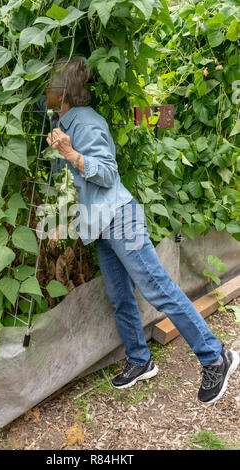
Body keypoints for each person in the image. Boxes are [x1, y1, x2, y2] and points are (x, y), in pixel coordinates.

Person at [44, 56, 239, 405]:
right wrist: (61, 149)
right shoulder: (67, 121)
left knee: (158, 289)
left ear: (62, 91)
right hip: (102, 225)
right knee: (120, 296)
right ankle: (140, 359)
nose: (44, 88)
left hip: (120, 219)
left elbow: (106, 173)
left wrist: (71, 154)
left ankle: (215, 356)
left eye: (49, 82)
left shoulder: (85, 123)